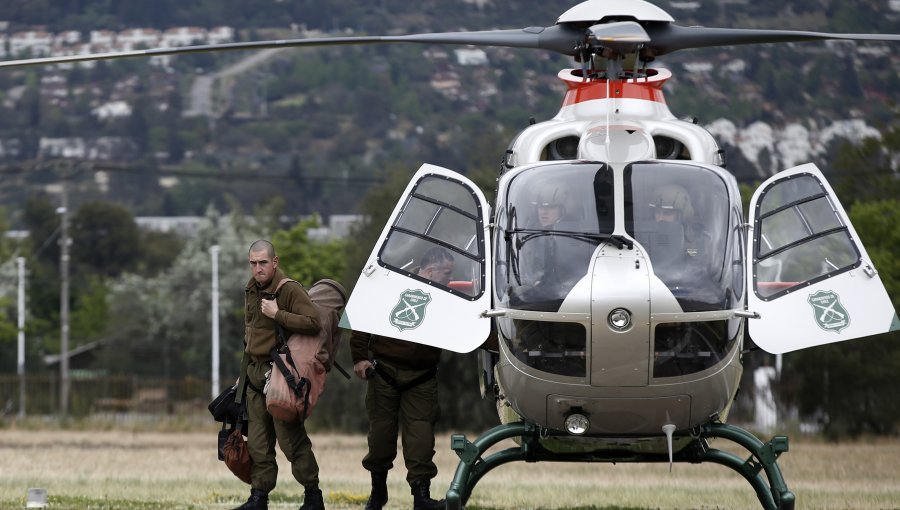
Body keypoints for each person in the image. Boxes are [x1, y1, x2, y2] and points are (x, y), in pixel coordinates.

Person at [349, 246, 455, 510]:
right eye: (447, 273)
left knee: (421, 437)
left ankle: (421, 498)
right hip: (383, 373)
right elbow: (362, 317)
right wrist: (360, 357)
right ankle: (377, 494)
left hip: (422, 377)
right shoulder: (388, 285)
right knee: (381, 437)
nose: (450, 279)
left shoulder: (449, 298)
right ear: (430, 271)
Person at [234, 240, 323, 510]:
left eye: (263, 263)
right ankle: (259, 498)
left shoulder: (289, 290)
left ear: (275, 262)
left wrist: (278, 314)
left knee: (291, 441)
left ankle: (313, 496)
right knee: (259, 444)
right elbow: (250, 335)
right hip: (254, 373)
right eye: (253, 263)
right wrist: (243, 375)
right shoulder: (251, 289)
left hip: (280, 376)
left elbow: (313, 322)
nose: (257, 268)